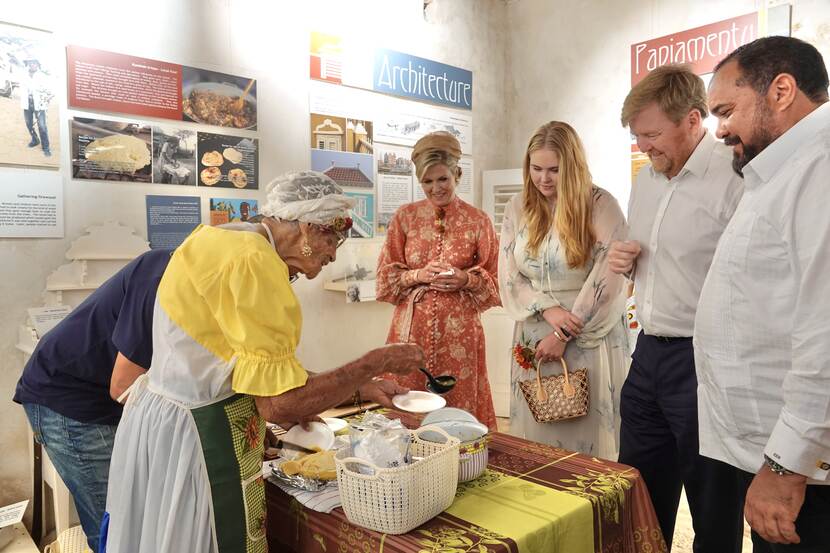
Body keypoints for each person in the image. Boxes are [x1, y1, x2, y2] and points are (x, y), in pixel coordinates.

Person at [101, 171, 423, 553]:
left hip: (161, 420)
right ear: (307, 227)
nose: (333, 255)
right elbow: (279, 403)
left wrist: (361, 387)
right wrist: (374, 361)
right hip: (199, 434)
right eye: (332, 240)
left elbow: (251, 368)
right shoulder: (256, 262)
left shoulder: (218, 237)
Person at [697, 36, 830, 550]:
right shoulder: (781, 169)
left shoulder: (819, 165)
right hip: (780, 460)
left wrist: (784, 467)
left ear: (781, 90)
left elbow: (824, 333)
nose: (720, 129)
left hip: (801, 477)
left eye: (727, 111)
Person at [608, 64, 744, 551]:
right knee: (638, 494)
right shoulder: (647, 181)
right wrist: (626, 260)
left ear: (692, 119)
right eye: (637, 137)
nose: (643, 147)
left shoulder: (735, 176)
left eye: (650, 134)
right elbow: (653, 257)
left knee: (713, 502)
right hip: (646, 355)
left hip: (706, 361)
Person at [13, 248, 172, 552]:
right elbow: (123, 387)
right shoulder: (162, 274)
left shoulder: (183, 274)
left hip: (92, 393)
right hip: (70, 397)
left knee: (132, 515)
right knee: (115, 523)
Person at [499, 121, 628, 459]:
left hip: (587, 333)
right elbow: (510, 273)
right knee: (537, 425)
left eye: (554, 170)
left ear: (572, 166)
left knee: (582, 435)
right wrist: (547, 309)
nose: (543, 178)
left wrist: (564, 330)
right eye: (536, 168)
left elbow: (610, 277)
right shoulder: (517, 206)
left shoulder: (601, 205)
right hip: (534, 330)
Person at [376, 131, 500, 430]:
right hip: (410, 328)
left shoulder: (478, 220)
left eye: (442, 179)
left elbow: (495, 282)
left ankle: (461, 459)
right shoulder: (405, 217)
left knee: (458, 400)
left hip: (460, 333)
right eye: (427, 182)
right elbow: (384, 278)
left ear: (457, 174)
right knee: (407, 399)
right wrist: (416, 275)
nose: (435, 188)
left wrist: (465, 279)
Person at [20, 58, 51, 157]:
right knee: (29, 124)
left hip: (39, 104)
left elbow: (48, 90)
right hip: (27, 103)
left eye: (34, 63)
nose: (32, 64)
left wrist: (46, 100)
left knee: (42, 126)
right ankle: (35, 139)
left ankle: (46, 147)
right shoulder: (23, 74)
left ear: (37, 64)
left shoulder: (42, 76)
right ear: (28, 64)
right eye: (30, 62)